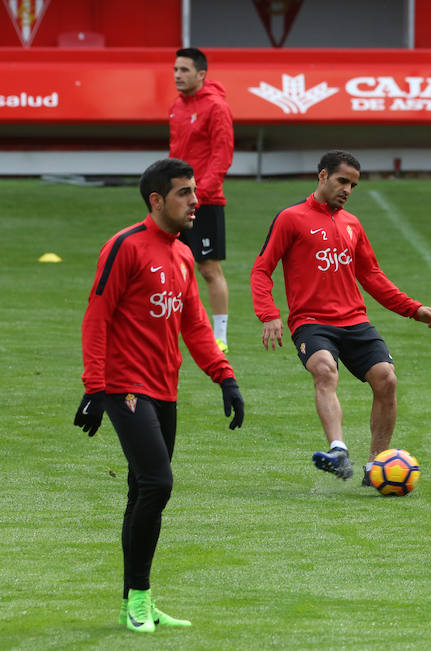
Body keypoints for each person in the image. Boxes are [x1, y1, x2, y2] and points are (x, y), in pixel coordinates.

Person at [74, 158, 245, 633]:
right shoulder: (125, 247)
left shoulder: (184, 255)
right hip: (123, 386)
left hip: (164, 388)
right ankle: (140, 598)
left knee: (141, 490)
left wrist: (224, 377)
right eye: (185, 193)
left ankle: (136, 601)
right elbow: (97, 317)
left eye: (195, 192)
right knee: (158, 484)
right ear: (156, 200)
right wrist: (93, 389)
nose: (196, 201)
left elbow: (193, 324)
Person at [251, 150, 431, 485]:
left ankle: (375, 465)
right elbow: (262, 269)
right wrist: (269, 314)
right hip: (311, 321)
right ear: (322, 176)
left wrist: (413, 309)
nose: (348, 190)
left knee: (387, 379)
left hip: (354, 321)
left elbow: (372, 276)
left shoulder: (352, 224)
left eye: (353, 184)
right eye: (342, 181)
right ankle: (338, 450)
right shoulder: (291, 218)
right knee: (325, 370)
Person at [169, 47, 235, 352]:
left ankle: (219, 336)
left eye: (184, 70)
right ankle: (172, 326)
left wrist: (199, 194)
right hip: (174, 201)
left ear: (201, 74)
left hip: (205, 201)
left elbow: (222, 156)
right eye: (175, 70)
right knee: (170, 265)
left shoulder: (216, 107)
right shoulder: (176, 107)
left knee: (208, 268)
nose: (178, 76)